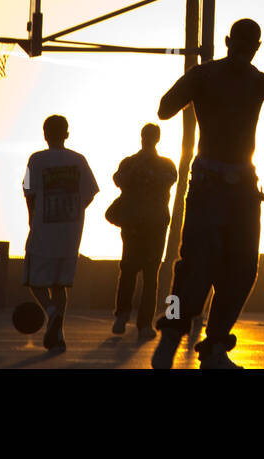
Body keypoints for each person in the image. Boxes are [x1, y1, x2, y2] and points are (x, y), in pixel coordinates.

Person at [151, 19, 264, 369]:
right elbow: (164, 109)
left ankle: (212, 345)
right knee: (200, 265)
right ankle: (175, 335)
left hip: (235, 186)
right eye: (244, 46)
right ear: (239, 44)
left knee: (236, 268)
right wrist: (192, 85)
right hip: (216, 183)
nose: (245, 52)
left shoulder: (251, 80)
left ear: (241, 44)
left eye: (248, 47)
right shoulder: (232, 78)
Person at [22, 114, 99, 352]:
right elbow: (91, 192)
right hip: (70, 232)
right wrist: (73, 210)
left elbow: (28, 192)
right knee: (60, 285)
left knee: (34, 282)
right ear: (67, 134)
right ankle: (59, 336)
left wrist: (32, 219)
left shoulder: (35, 160)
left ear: (45, 134)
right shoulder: (79, 160)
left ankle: (51, 312)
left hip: (44, 230)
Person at [111, 123, 177, 341]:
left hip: (154, 226)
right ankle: (125, 317)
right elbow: (118, 179)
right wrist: (140, 167)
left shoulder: (166, 164)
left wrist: (145, 170)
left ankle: (142, 322)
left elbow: (167, 181)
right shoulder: (130, 162)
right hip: (135, 225)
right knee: (131, 271)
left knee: (147, 275)